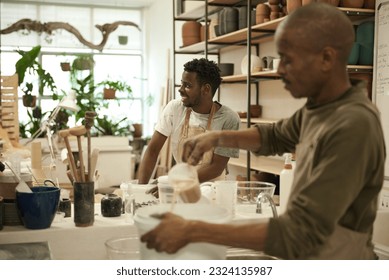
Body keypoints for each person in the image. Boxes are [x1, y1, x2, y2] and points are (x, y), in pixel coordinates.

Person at [140, 3, 386, 259]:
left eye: (288, 60)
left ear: (326, 58)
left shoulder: (353, 125)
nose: (279, 70)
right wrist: (216, 137)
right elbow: (275, 136)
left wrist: (194, 229)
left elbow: (300, 233)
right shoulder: (321, 108)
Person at [137, 58, 240, 184]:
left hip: (212, 188)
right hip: (182, 182)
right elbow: (152, 151)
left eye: (187, 86)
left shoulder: (228, 119)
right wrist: (140, 189)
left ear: (206, 89)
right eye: (182, 84)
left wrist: (176, 183)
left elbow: (216, 168)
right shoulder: (175, 109)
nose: (180, 89)